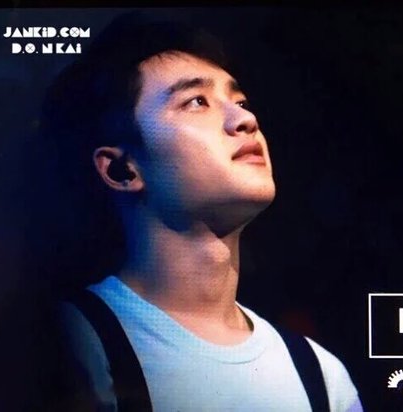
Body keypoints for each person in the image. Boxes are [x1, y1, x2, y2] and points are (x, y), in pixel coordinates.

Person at [42, 11, 363, 412]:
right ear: (123, 169)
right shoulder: (70, 342)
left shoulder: (320, 375)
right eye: (197, 101)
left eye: (240, 101)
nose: (246, 119)